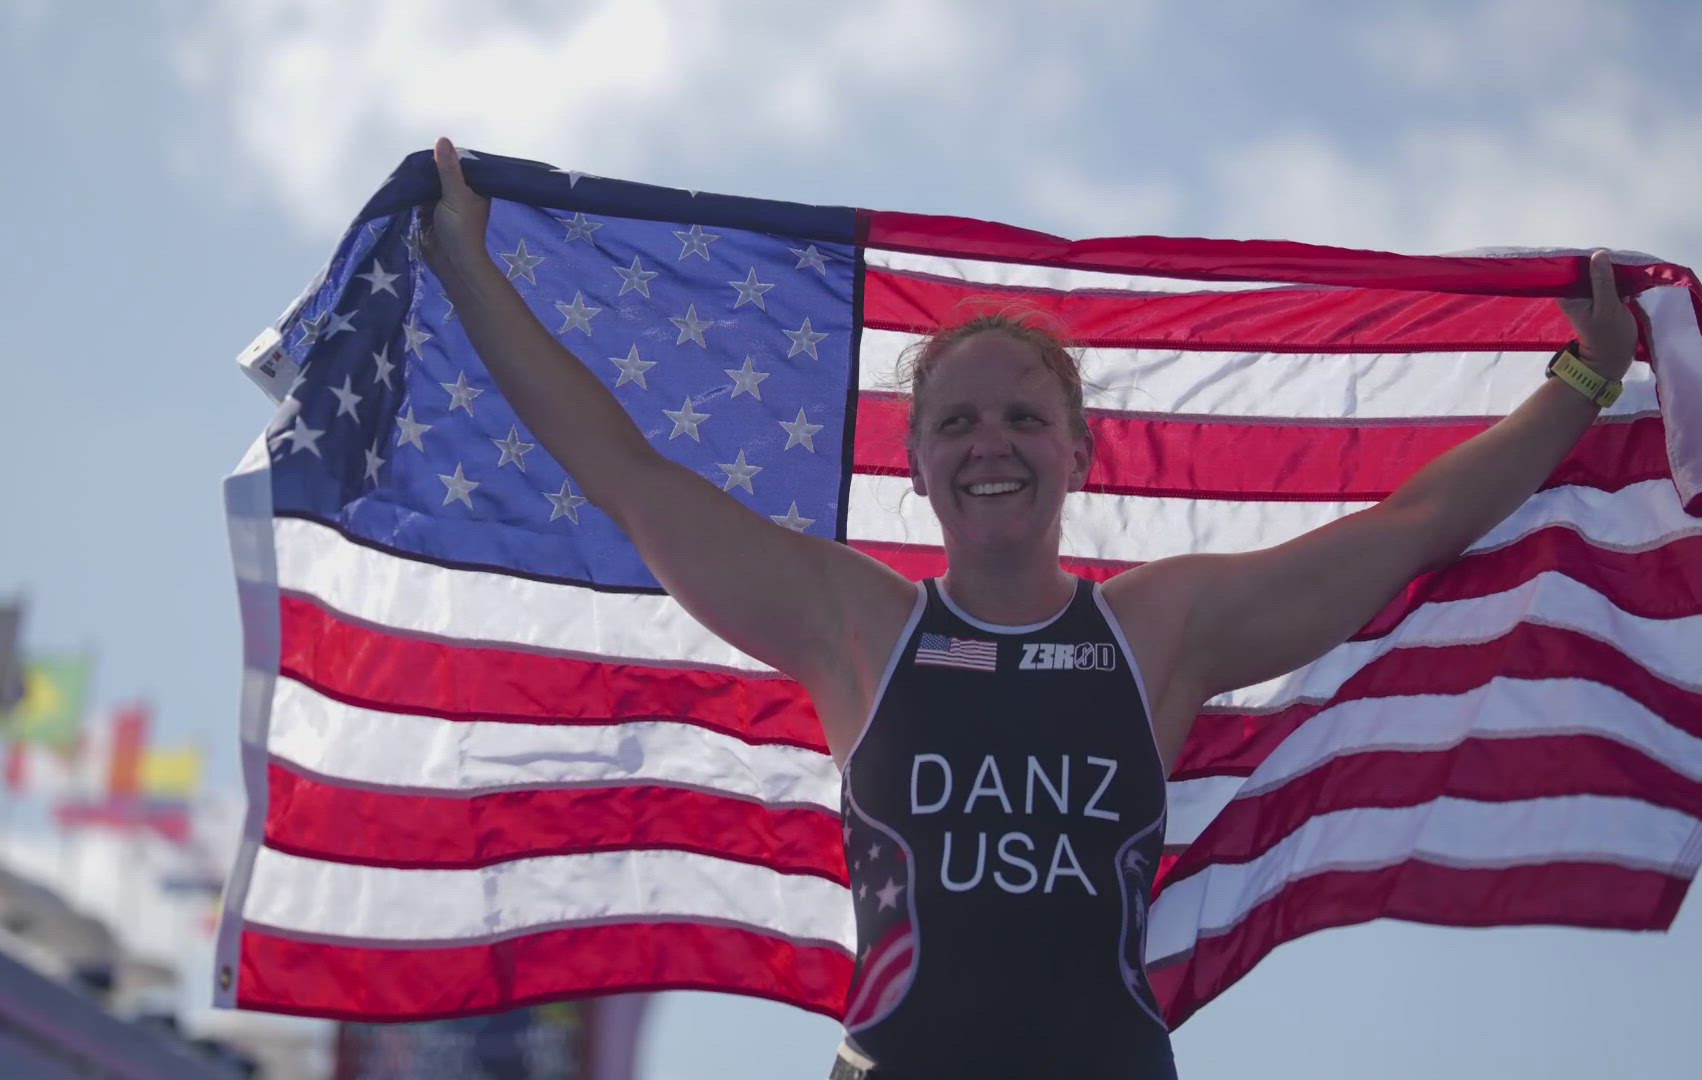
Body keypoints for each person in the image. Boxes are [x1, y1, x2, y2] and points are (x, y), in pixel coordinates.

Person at [420, 137, 1639, 1080]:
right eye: (955, 422)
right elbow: (630, 478)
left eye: (1020, 418)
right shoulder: (855, 625)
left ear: (1079, 452)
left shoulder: (1164, 633)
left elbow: (1407, 531)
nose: (989, 444)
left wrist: (1580, 384)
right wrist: (468, 266)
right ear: (916, 464)